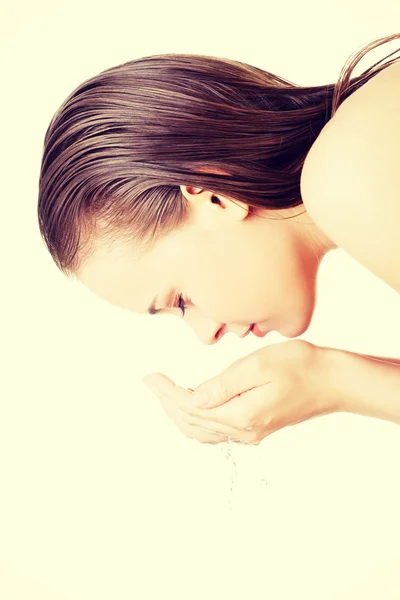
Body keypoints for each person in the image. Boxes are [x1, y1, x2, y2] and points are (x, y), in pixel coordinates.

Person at [38, 34, 400, 446]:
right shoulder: (368, 138)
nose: (205, 336)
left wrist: (335, 383)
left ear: (215, 197)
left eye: (180, 301)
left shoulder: (348, 174)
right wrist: (325, 375)